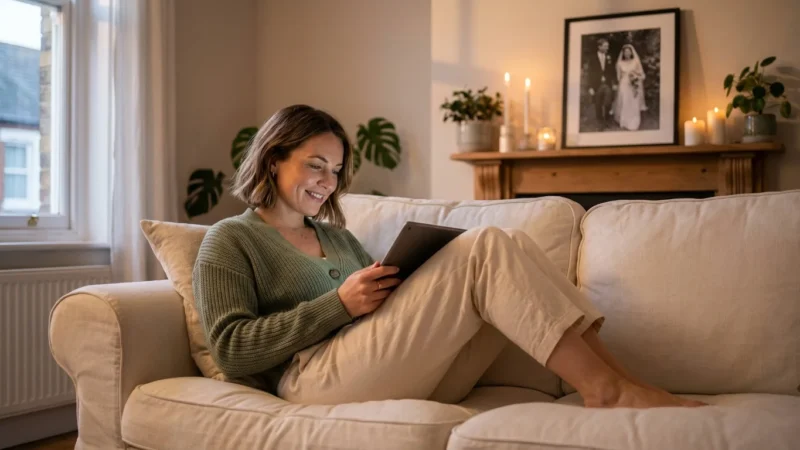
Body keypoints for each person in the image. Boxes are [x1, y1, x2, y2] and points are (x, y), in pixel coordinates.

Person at [192, 104, 705, 408]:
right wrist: (340, 306)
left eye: (336, 170)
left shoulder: (339, 237)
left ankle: (626, 384)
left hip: (386, 369)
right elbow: (232, 350)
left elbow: (385, 315)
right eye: (315, 165)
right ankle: (607, 391)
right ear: (273, 157)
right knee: (483, 247)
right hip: (312, 382)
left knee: (512, 245)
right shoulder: (230, 240)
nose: (327, 182)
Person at [614, 44, 648, 131]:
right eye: (625, 52)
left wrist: (636, 78)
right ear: (623, 53)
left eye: (629, 52)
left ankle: (633, 121)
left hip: (634, 84)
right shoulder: (619, 63)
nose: (627, 53)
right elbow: (618, 77)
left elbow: (642, 74)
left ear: (631, 52)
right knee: (625, 100)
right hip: (624, 83)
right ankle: (624, 121)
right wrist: (622, 81)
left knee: (633, 101)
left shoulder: (635, 61)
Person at [586, 38, 617, 130]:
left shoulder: (609, 57)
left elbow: (612, 71)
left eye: (607, 46)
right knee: (598, 104)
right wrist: (590, 87)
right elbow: (590, 73)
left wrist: (614, 83)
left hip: (607, 84)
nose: (607, 48)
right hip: (596, 84)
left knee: (608, 102)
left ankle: (607, 119)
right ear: (599, 47)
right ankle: (600, 122)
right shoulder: (592, 58)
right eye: (605, 46)